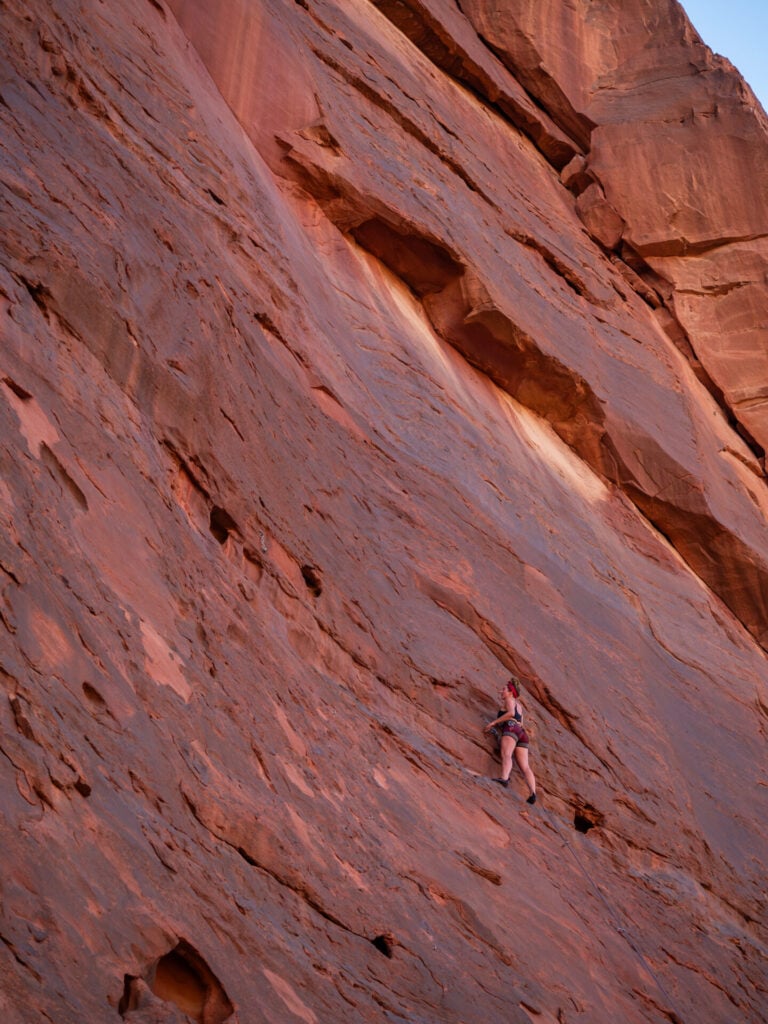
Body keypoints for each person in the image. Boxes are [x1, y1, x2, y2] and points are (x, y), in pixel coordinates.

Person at [483, 677, 537, 803]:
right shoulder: (520, 706)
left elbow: (511, 713)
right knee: (525, 766)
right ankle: (533, 793)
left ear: (511, 692)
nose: (501, 691)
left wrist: (494, 723)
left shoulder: (509, 700)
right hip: (521, 733)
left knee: (506, 754)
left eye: (504, 689)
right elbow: (520, 723)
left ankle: (504, 778)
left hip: (511, 727)